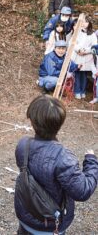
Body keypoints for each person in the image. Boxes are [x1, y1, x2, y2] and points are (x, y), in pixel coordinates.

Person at [15, 94, 98, 234]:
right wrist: (91, 161)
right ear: (60, 123)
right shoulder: (64, 158)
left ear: (32, 121)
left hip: (26, 217)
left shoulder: (23, 145)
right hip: (50, 226)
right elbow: (82, 191)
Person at [71, 16, 98, 99]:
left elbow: (94, 46)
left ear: (89, 23)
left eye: (86, 22)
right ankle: (77, 91)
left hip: (87, 56)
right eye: (82, 22)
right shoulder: (77, 32)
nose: (84, 23)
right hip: (77, 55)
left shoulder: (92, 34)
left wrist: (85, 51)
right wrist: (79, 50)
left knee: (84, 75)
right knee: (77, 74)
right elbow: (73, 43)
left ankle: (83, 91)